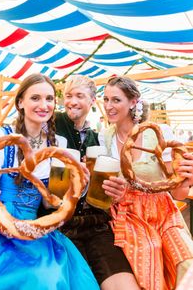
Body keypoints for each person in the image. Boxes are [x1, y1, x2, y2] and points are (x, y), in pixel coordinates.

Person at [0, 73, 99, 290]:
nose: (44, 105)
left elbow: (51, 203)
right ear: (20, 103)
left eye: (50, 99)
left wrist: (77, 187)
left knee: (49, 277)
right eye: (35, 98)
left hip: (36, 228)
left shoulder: (59, 145)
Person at [99, 76, 193, 290]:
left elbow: (177, 193)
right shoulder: (104, 137)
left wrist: (187, 178)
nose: (108, 106)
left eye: (116, 100)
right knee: (147, 257)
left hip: (163, 211)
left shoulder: (159, 133)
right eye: (105, 99)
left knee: (186, 259)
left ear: (133, 102)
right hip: (127, 213)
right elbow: (106, 188)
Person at [55, 75, 140, 290]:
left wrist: (115, 190)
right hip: (61, 224)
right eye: (68, 95)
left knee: (126, 285)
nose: (72, 101)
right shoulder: (52, 123)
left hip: (97, 222)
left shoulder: (98, 138)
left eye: (79, 96)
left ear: (93, 101)